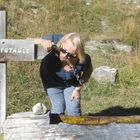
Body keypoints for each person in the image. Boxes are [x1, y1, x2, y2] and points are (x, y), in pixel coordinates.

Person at [34, 33, 93, 116]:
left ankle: (75, 128)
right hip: (52, 82)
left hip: (71, 83)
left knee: (74, 109)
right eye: (63, 51)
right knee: (58, 108)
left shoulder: (83, 60)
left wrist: (78, 89)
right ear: (61, 43)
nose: (65, 56)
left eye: (71, 55)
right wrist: (43, 42)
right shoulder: (55, 40)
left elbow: (88, 71)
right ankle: (56, 128)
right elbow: (28, 41)